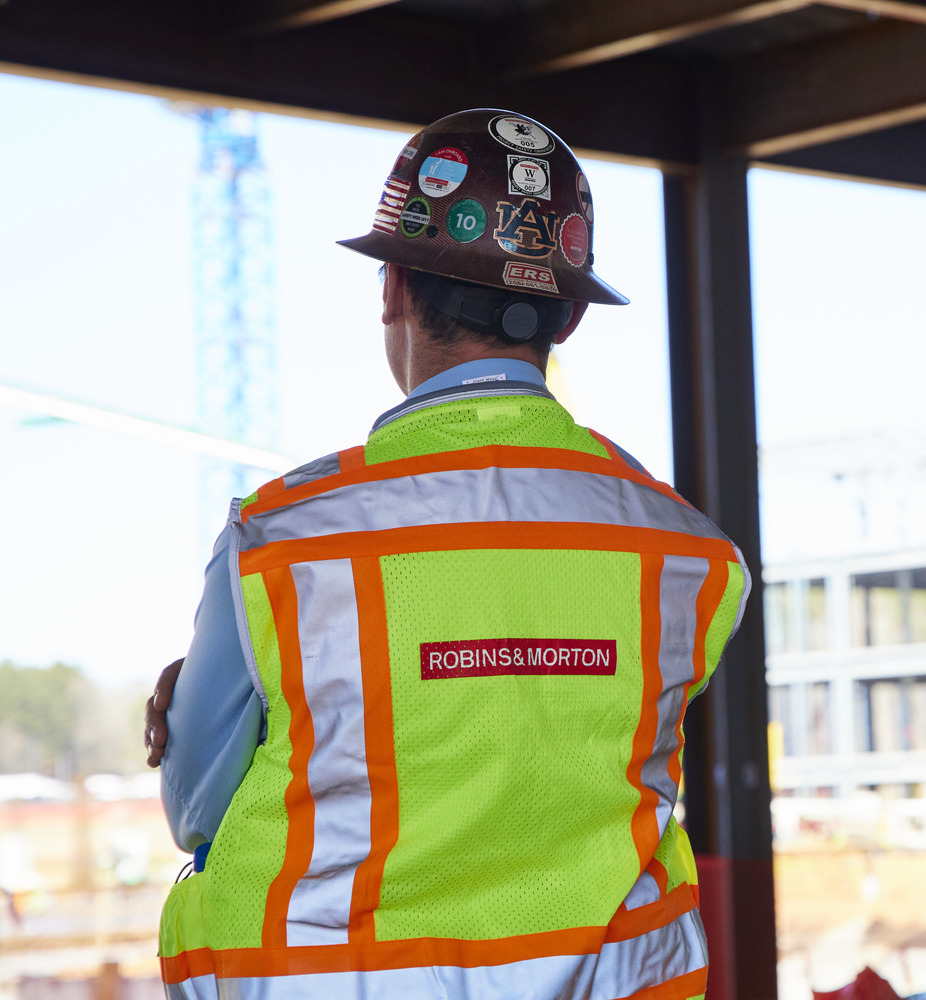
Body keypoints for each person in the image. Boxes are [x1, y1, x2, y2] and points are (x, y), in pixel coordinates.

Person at [143, 109, 748, 1000]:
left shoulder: (278, 545)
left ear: (392, 289)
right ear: (569, 318)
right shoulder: (688, 555)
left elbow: (198, 813)